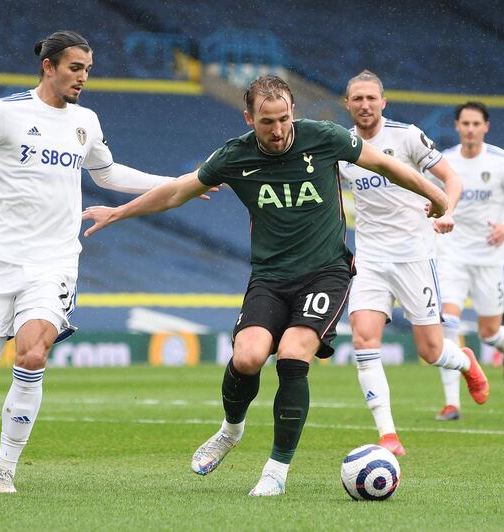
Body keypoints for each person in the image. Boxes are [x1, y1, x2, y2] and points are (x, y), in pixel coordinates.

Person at [82, 75, 450, 497]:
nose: (277, 131)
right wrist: (118, 212)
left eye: (283, 119)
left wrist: (436, 196)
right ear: (248, 117)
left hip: (325, 271)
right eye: (266, 122)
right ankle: (230, 430)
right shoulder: (234, 155)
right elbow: (177, 192)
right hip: (270, 277)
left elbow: (385, 164)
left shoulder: (324, 138)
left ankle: (276, 469)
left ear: (293, 111)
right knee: (249, 357)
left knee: (293, 356)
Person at [0, 30, 180, 493]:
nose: (83, 78)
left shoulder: (85, 121)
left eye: (87, 69)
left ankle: (5, 468)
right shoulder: (6, 113)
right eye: (75, 68)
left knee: (31, 352)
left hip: (54, 263)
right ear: (48, 66)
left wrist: (180, 182)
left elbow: (107, 174)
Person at [338, 70, 489, 455]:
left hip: (414, 257)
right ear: (347, 104)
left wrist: (446, 211)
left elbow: (450, 178)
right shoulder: (342, 147)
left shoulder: (406, 136)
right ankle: (388, 434)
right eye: (358, 99)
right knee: (363, 338)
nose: (365, 105)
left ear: (383, 102)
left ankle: (466, 362)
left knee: (430, 351)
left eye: (371, 98)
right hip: (370, 259)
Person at [435, 101, 504, 421]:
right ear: (456, 126)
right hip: (451, 252)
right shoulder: (444, 162)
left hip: (491, 258)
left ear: (486, 127)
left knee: (490, 334)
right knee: (447, 322)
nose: (470, 129)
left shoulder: (501, 162)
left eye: (476, 124)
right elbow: (431, 198)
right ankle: (452, 402)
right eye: (465, 123)